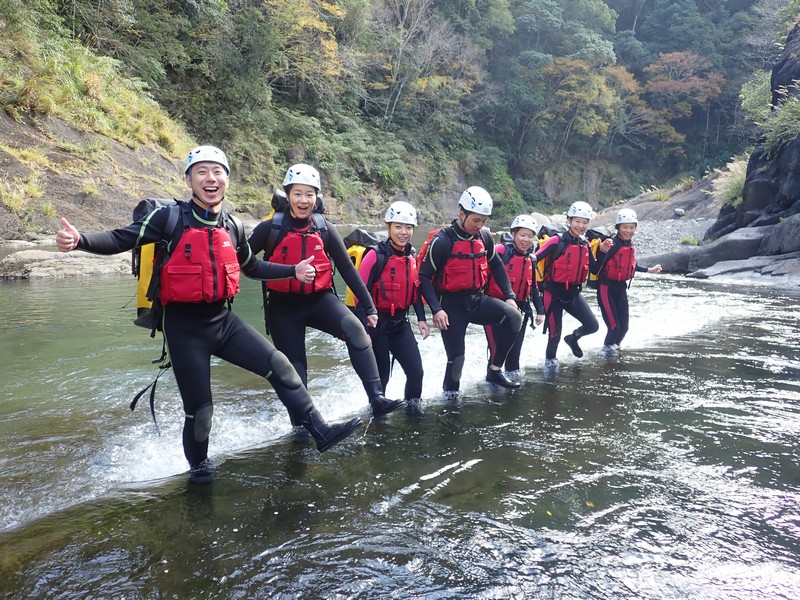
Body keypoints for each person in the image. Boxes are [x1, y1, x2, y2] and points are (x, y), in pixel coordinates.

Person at [55, 146, 362, 485]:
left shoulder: (232, 225)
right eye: (201, 172)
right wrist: (80, 239)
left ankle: (319, 430)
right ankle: (199, 476)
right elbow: (120, 238)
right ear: (188, 179)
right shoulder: (167, 219)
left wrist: (291, 270)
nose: (210, 179)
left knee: (280, 365)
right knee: (201, 414)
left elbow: (253, 266)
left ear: (227, 179)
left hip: (222, 321)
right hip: (184, 328)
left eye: (217, 172)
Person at [247, 163, 404, 417]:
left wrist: (369, 306)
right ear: (287, 195)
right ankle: (302, 425)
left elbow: (347, 269)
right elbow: (245, 265)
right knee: (296, 371)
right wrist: (288, 271)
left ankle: (377, 399)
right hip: (283, 307)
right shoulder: (270, 228)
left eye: (309, 194)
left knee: (356, 330)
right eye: (297, 193)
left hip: (319, 300)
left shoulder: (324, 228)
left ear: (317, 197)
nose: (303, 200)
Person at [418, 186, 523, 392]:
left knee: (514, 317)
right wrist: (436, 309)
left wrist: (509, 296)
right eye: (476, 220)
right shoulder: (442, 241)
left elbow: (497, 266)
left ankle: (494, 371)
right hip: (451, 308)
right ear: (462, 213)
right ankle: (450, 398)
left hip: (477, 301)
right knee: (457, 359)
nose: (480, 225)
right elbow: (423, 277)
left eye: (484, 221)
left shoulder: (484, 237)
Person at [356, 201, 430, 404]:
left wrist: (421, 319)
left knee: (416, 372)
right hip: (376, 324)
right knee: (382, 379)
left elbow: (414, 290)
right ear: (388, 228)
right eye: (398, 226)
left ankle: (412, 411)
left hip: (399, 324)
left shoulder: (411, 257)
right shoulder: (374, 256)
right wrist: (364, 330)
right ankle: (378, 416)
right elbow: (359, 295)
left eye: (408, 227)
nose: (403, 232)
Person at [535, 200, 602, 369]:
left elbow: (595, 268)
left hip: (573, 294)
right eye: (577, 221)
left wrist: (602, 252)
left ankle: (573, 338)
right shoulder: (556, 241)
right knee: (554, 335)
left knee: (592, 325)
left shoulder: (585, 244)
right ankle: (550, 365)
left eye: (585, 222)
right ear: (569, 220)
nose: (581, 225)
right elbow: (534, 259)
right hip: (552, 294)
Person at [593, 208, 662, 354]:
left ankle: (613, 351)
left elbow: (630, 265)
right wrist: (601, 250)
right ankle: (606, 356)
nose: (628, 230)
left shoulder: (628, 244)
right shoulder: (612, 244)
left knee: (624, 328)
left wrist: (650, 270)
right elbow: (596, 266)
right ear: (618, 227)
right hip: (606, 288)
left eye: (631, 227)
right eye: (625, 227)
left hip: (620, 288)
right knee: (614, 327)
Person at [483, 214, 545, 375]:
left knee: (514, 352)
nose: (526, 240)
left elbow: (534, 287)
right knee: (496, 351)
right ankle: (492, 384)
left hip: (520, 309)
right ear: (513, 234)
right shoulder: (501, 251)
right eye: (522, 235)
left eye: (530, 236)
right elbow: (480, 262)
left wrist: (540, 310)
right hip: (495, 308)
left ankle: (512, 390)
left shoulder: (530, 258)